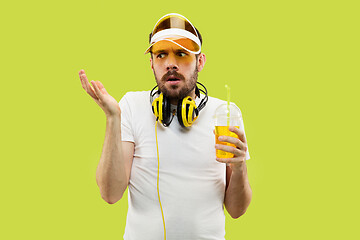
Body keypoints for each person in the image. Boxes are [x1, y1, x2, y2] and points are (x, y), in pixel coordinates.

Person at [79, 13, 252, 240]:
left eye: (181, 53)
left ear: (200, 61)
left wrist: (239, 168)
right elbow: (110, 194)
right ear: (151, 63)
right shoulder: (131, 106)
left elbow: (237, 211)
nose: (171, 63)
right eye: (161, 55)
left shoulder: (226, 113)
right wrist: (113, 119)